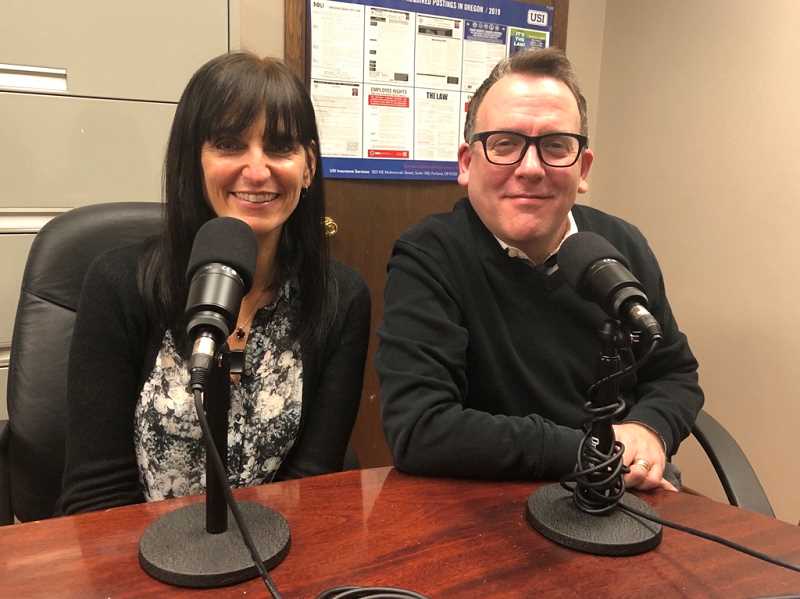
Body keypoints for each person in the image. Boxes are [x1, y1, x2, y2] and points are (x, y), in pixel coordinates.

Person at [376, 48, 702, 492]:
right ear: (467, 164)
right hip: (487, 499)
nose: (530, 169)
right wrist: (594, 450)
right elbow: (420, 427)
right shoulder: (429, 256)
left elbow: (673, 372)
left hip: (621, 487)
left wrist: (649, 429)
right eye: (505, 144)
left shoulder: (622, 245)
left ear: (583, 169)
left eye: (555, 146)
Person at [58, 52, 371, 515]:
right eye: (229, 144)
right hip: (141, 549)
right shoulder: (118, 285)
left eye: (280, 147)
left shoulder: (340, 298)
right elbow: (96, 497)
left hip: (275, 545)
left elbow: (312, 484)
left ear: (307, 167)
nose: (257, 170)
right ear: (194, 160)